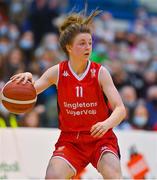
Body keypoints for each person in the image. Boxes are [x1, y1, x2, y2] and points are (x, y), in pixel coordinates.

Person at [10, 10, 126, 179]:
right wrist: (27, 78)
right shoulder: (57, 72)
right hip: (71, 141)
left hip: (100, 138)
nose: (88, 47)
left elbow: (120, 109)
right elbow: (31, 91)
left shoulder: (100, 72)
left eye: (90, 43)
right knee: (52, 176)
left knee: (113, 173)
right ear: (69, 47)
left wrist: (107, 123)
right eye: (82, 43)